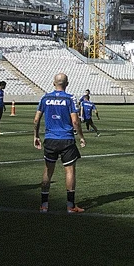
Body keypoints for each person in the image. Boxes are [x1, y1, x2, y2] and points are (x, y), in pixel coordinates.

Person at [33, 73, 87, 214]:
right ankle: (70, 206)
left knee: (47, 170)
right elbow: (75, 121)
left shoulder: (45, 98)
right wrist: (81, 136)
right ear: (67, 84)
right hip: (66, 139)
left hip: (50, 139)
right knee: (69, 170)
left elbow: (36, 120)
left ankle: (44, 205)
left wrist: (36, 136)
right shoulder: (70, 99)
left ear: (53, 83)